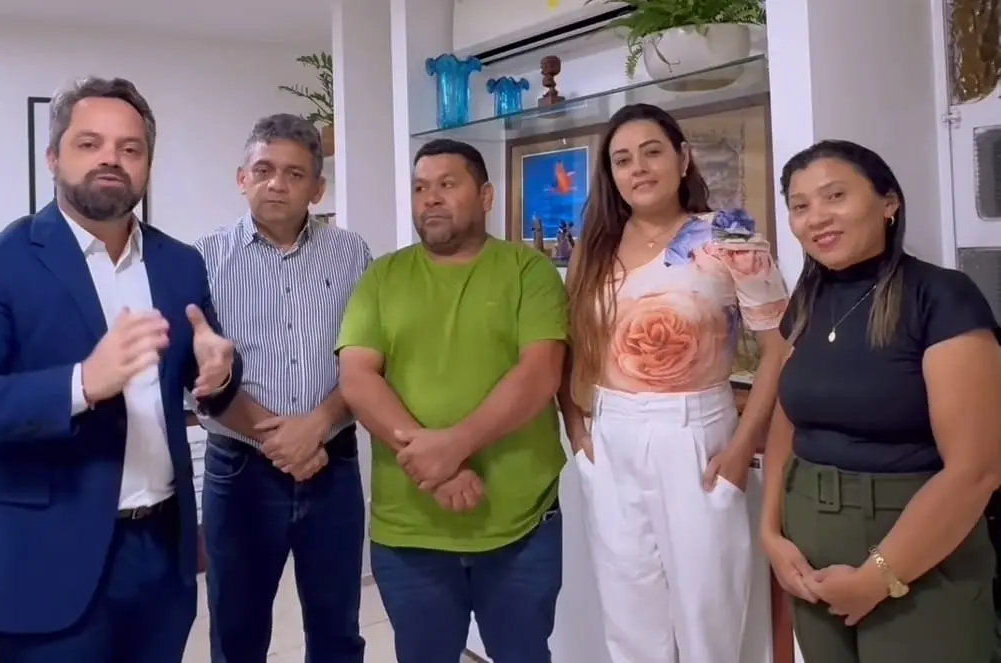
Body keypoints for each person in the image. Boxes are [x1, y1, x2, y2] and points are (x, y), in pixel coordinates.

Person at [0, 76, 248, 663]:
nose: (111, 158)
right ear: (53, 157)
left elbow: (202, 387)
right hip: (43, 559)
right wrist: (80, 384)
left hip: (162, 553)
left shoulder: (181, 264)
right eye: (89, 143)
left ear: (147, 164)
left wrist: (219, 375)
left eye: (130, 148)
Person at [558, 103, 789, 663]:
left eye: (652, 152)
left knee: (709, 616)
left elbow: (781, 351)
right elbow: (570, 346)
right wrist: (577, 430)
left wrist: (740, 450)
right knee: (630, 620)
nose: (638, 168)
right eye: (622, 160)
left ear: (683, 159)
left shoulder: (729, 234)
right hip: (610, 438)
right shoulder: (595, 247)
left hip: (697, 438)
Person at [760, 139, 1001, 663]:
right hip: (809, 541)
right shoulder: (808, 301)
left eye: (835, 196)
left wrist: (877, 578)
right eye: (800, 205)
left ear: (888, 202)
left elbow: (976, 470)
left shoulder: (942, 297)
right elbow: (787, 422)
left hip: (918, 547)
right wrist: (771, 533)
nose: (816, 217)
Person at [336, 139, 567, 663]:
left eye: (447, 184)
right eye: (421, 188)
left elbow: (539, 374)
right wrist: (437, 469)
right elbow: (358, 378)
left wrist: (454, 446)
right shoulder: (383, 277)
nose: (431, 198)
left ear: (486, 196)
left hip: (519, 524)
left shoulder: (528, 271)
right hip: (411, 531)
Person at [194, 114, 370, 663]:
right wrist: (281, 441)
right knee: (238, 634)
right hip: (240, 471)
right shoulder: (203, 259)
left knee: (337, 631)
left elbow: (369, 361)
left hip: (332, 463)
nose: (277, 183)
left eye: (295, 174)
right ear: (241, 178)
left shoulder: (352, 254)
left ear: (318, 188)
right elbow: (195, 377)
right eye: (264, 169)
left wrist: (315, 428)